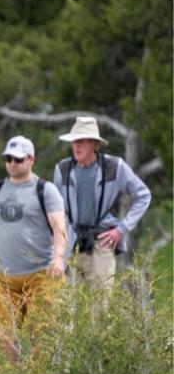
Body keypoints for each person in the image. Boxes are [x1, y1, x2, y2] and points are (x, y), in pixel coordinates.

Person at [0, 136, 67, 361]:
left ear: (30, 159)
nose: (12, 164)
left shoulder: (45, 190)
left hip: (41, 275)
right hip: (6, 277)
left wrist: (58, 257)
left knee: (41, 334)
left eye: (17, 159)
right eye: (8, 159)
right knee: (5, 334)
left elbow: (59, 227)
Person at [52, 117, 151, 290]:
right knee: (63, 308)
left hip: (101, 243)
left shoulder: (114, 166)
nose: (76, 146)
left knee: (100, 309)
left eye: (81, 141)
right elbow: (56, 212)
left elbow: (143, 195)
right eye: (74, 141)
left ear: (95, 144)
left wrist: (121, 230)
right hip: (70, 242)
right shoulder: (62, 169)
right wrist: (56, 252)